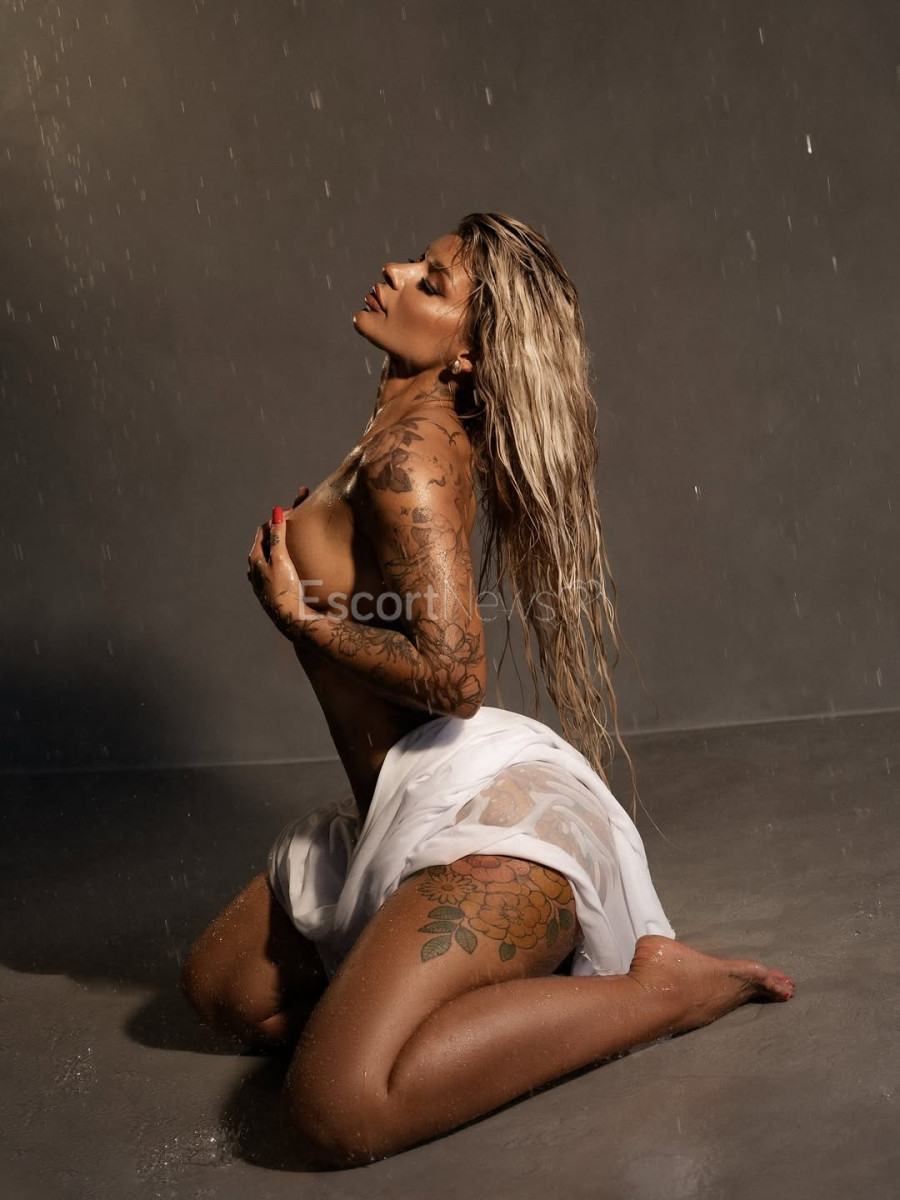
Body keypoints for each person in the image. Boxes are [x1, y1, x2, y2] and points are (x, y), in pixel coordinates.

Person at [181, 212, 795, 1168]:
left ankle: (661, 991)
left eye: (429, 282)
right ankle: (425, 1009)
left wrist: (305, 621)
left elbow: (456, 677)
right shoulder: (391, 436)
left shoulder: (411, 461)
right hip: (402, 799)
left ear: (468, 354)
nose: (393, 272)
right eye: (415, 263)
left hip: (496, 824)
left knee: (335, 1109)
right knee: (224, 991)